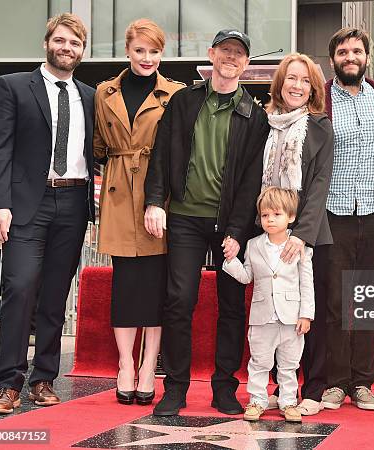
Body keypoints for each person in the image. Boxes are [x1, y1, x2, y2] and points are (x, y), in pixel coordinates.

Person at [144, 29, 269, 417]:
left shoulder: (254, 114)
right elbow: (161, 154)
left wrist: (237, 231)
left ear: (246, 64)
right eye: (225, 50)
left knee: (232, 304)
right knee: (180, 300)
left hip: (229, 225)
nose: (231, 58)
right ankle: (176, 387)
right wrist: (154, 201)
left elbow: (252, 179)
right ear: (212, 54)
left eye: (239, 54)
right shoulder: (184, 101)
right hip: (184, 217)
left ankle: (224, 386)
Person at [0, 13, 94, 415]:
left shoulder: (90, 95)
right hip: (26, 206)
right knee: (19, 290)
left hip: (73, 203)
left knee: (54, 296)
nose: (67, 48)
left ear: (83, 50)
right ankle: (8, 383)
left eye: (75, 43)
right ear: (47, 42)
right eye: (61, 41)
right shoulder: (13, 86)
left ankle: (43, 378)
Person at [93, 19, 184, 406]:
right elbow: (98, 144)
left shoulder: (175, 94)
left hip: (157, 197)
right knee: (125, 284)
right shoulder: (104, 92)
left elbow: (179, 150)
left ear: (162, 54)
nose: (147, 58)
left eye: (154, 51)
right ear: (127, 51)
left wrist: (159, 198)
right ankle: (125, 365)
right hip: (116, 193)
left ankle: (149, 366)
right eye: (140, 50)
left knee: (155, 285)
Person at [321, 28, 374, 412]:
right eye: (342, 51)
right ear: (332, 58)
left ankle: (363, 383)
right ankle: (336, 383)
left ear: (367, 56)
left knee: (367, 301)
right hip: (333, 213)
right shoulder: (320, 97)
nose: (349, 57)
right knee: (336, 301)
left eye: (356, 51)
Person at [259, 53, 333, 416]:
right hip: (270, 232)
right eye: (292, 78)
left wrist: (300, 235)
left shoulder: (319, 126)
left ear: (313, 87)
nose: (298, 86)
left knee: (306, 312)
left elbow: (320, 184)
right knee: (274, 311)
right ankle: (277, 385)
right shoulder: (265, 124)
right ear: (280, 83)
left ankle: (314, 388)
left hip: (307, 235)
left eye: (305, 80)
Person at [223, 187, 314, 423]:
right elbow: (246, 277)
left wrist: (306, 315)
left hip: (291, 318)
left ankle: (288, 402)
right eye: (265, 215)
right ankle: (256, 401)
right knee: (259, 362)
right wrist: (231, 261)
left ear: (291, 217)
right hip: (262, 318)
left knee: (289, 364)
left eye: (276, 214)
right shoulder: (253, 245)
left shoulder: (301, 247)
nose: (270, 219)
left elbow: (307, 283)